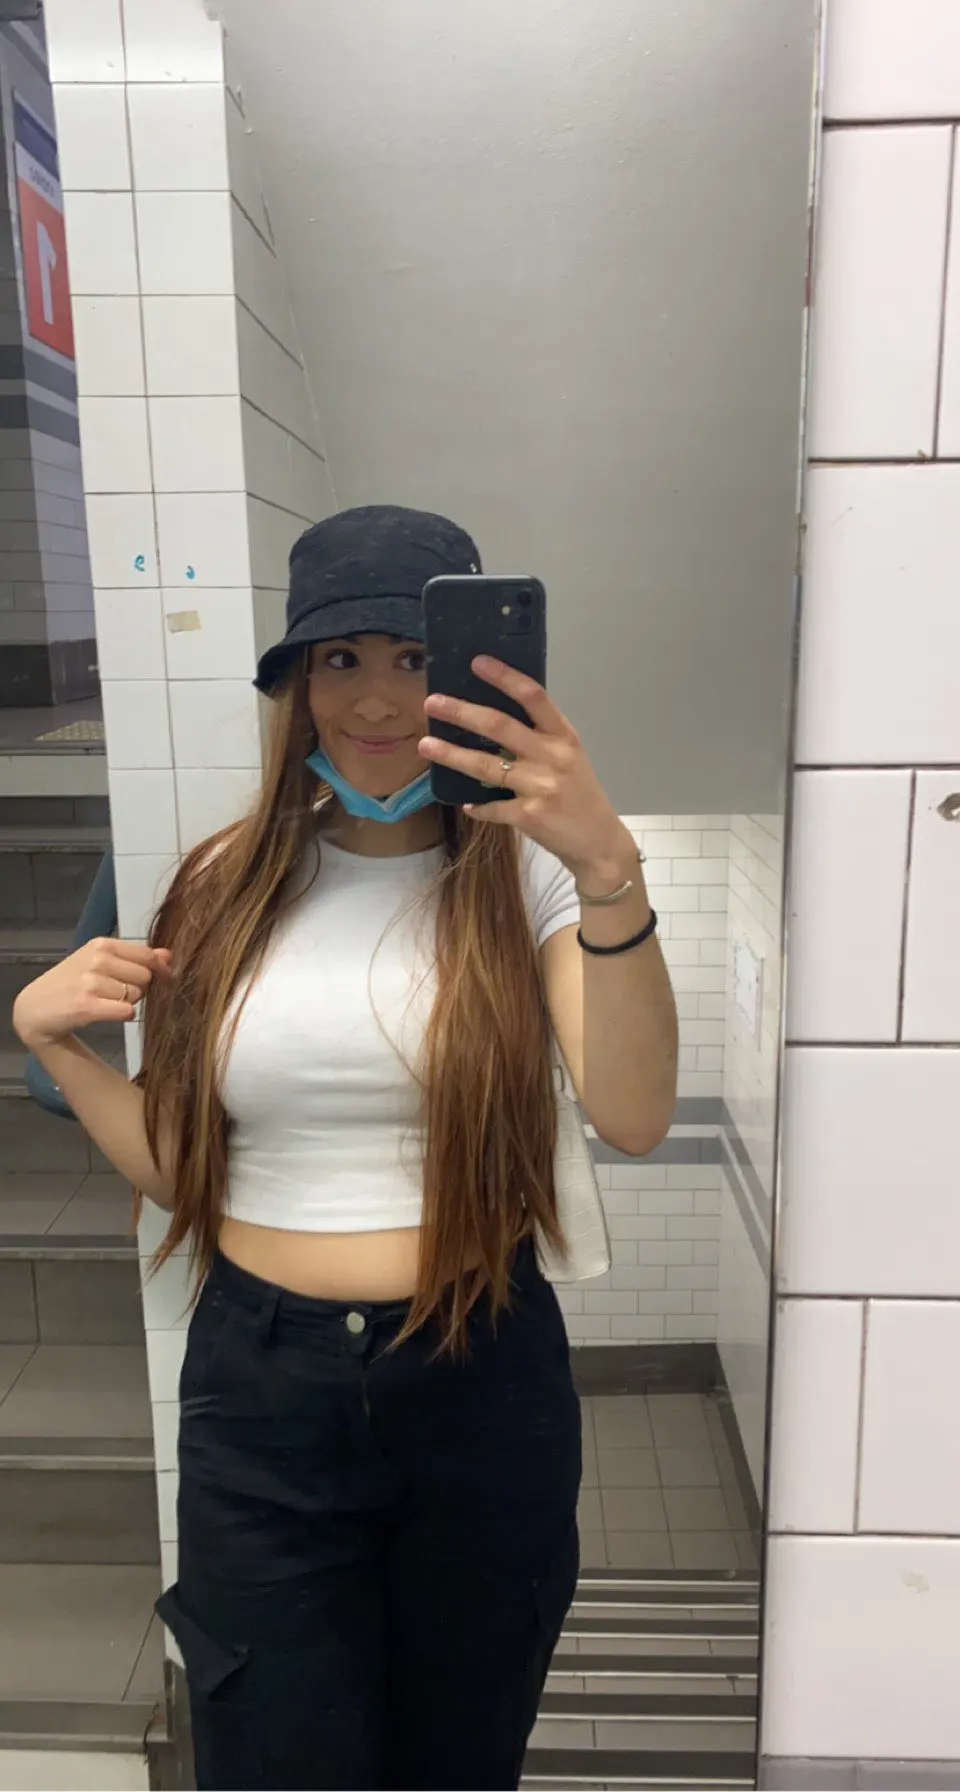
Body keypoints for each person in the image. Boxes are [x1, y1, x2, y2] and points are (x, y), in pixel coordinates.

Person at [12, 505, 678, 1792]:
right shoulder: (221, 884)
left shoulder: (534, 879)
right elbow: (187, 1169)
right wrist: (62, 1050)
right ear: (297, 685)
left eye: (416, 659)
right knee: (272, 1755)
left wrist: (609, 863)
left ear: (475, 676)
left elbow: (636, 1111)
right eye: (340, 659)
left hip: (479, 1372)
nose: (377, 699)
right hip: (262, 1394)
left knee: (457, 1758)